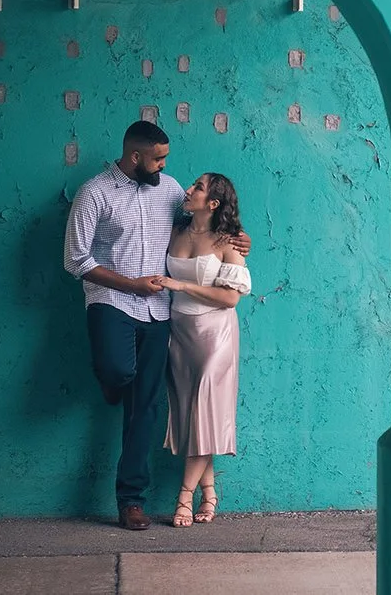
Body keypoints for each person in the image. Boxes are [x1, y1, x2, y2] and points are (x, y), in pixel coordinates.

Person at [62, 121, 248, 530]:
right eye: (158, 158)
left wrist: (239, 239)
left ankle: (131, 500)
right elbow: (75, 259)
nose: (165, 165)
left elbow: (207, 225)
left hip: (160, 313)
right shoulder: (94, 193)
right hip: (112, 301)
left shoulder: (169, 190)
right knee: (118, 370)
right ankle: (114, 382)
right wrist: (132, 285)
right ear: (136, 157)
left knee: (144, 408)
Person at [158, 172, 252, 527]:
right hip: (179, 332)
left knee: (205, 411)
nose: (188, 190)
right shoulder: (175, 231)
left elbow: (230, 298)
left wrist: (180, 285)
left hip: (215, 336)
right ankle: (209, 493)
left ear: (212, 203)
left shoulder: (230, 241)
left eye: (197, 187)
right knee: (195, 418)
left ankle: (184, 497)